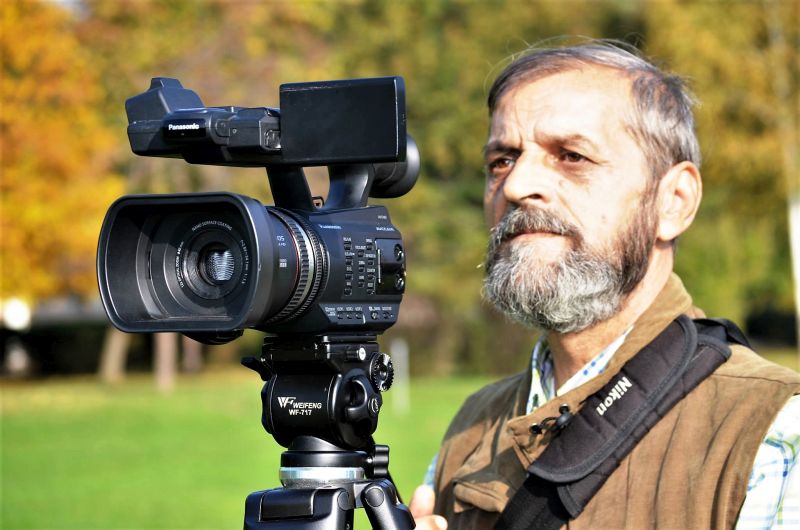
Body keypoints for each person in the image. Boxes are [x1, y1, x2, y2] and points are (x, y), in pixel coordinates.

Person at [408, 40, 800, 529]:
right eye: (502, 160)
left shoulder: (771, 436)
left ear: (674, 201)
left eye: (571, 156)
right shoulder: (472, 426)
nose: (516, 185)